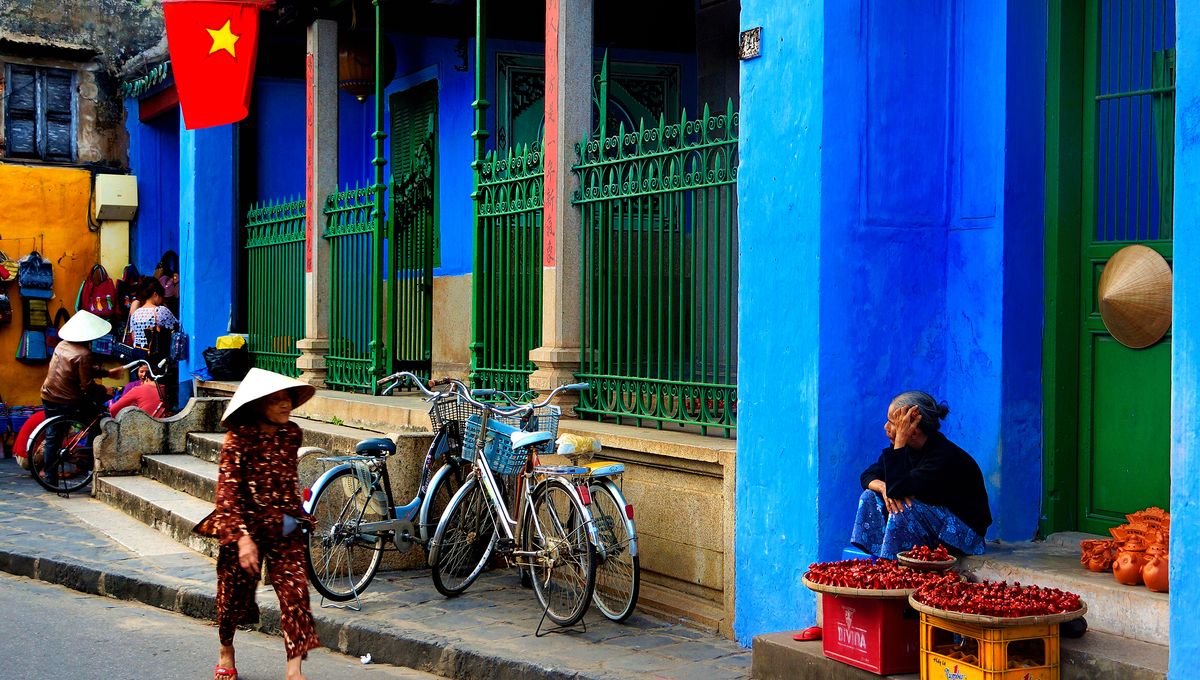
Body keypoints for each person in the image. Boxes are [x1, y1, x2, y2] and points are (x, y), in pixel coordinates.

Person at [193, 369, 319, 680]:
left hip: (285, 524)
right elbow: (227, 493)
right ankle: (226, 648)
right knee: (232, 596)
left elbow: (290, 482)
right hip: (243, 527)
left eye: (287, 398)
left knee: (296, 594)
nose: (285, 405)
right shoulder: (238, 439)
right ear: (259, 404)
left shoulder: (293, 434)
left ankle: (294, 671)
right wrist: (243, 539)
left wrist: (299, 519)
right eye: (276, 400)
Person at [851, 390, 991, 559]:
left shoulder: (943, 458)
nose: (885, 427)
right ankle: (881, 556)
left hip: (965, 536)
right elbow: (868, 475)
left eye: (892, 423)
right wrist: (882, 487)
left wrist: (901, 440)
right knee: (870, 495)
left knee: (902, 505)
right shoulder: (908, 450)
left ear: (914, 431)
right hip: (932, 525)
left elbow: (898, 490)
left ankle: (894, 562)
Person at [39, 310, 126, 484]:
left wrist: (106, 372)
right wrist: (105, 391)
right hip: (67, 400)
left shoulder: (61, 345)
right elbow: (88, 386)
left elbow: (81, 370)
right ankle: (89, 463)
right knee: (98, 419)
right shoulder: (84, 354)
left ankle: (50, 477)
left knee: (53, 435)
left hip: (48, 396)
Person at [127, 277, 179, 351]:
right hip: (153, 356)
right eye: (162, 296)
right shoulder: (160, 310)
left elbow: (133, 337)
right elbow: (176, 327)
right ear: (155, 295)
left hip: (138, 355)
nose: (162, 300)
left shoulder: (135, 314)